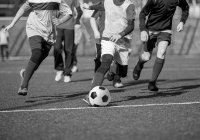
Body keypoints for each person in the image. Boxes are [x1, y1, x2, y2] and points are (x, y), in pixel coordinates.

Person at [4, 0, 72, 96]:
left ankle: (25, 74)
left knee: (41, 56)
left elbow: (69, 13)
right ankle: (23, 86)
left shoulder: (58, 1)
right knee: (37, 53)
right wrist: (12, 23)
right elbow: (23, 8)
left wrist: (60, 21)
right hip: (34, 28)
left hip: (49, 33)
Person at [83, 0, 136, 104]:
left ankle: (112, 72)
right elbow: (100, 7)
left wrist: (120, 35)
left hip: (123, 41)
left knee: (123, 72)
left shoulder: (129, 5)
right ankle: (90, 94)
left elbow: (131, 26)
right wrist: (89, 7)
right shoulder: (107, 1)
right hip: (108, 38)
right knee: (106, 61)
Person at [132, 0, 189, 91]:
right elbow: (142, 14)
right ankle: (139, 65)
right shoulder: (154, 0)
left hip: (165, 30)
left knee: (161, 53)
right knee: (146, 57)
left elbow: (185, 7)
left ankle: (152, 82)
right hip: (150, 30)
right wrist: (143, 29)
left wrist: (182, 21)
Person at [54, 0, 83, 82]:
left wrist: (76, 21)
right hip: (58, 27)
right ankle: (59, 68)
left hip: (70, 27)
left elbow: (79, 11)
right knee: (57, 48)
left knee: (68, 50)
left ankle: (67, 73)